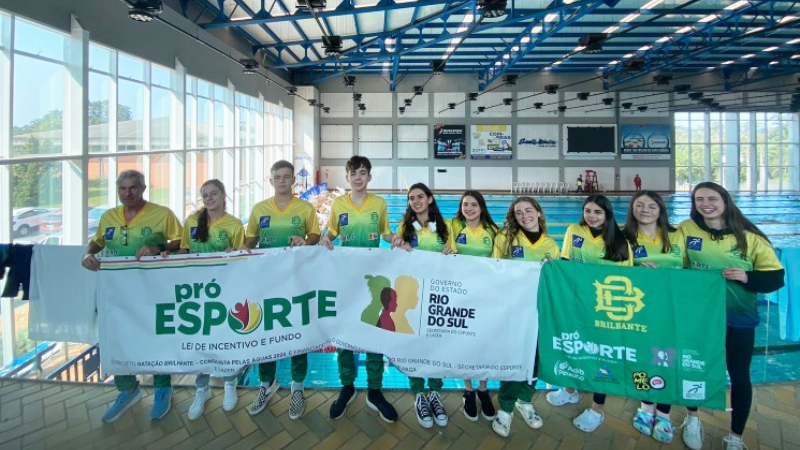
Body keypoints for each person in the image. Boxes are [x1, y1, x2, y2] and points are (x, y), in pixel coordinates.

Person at [680, 182, 784, 450]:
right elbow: (671, 260)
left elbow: (776, 277)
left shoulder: (749, 237)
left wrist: (748, 277)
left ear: (725, 200)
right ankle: (692, 419)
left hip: (738, 319)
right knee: (695, 368)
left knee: (739, 376)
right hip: (698, 317)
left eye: (712, 198)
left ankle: (735, 436)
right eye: (699, 199)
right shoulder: (685, 230)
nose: (705, 203)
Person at [80, 170, 182, 423]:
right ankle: (127, 389)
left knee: (156, 336)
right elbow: (98, 242)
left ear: (143, 188)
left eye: (133, 188)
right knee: (116, 338)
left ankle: (162, 388)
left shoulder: (162, 214)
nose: (127, 193)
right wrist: (86, 254)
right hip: (116, 291)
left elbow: (180, 241)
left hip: (152, 289)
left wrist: (157, 248)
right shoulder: (108, 216)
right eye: (122, 189)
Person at [319, 155, 397, 423]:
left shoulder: (380, 203)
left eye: (363, 172)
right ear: (347, 177)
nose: (358, 177)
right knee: (345, 334)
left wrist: (395, 238)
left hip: (374, 279)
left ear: (369, 176)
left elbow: (386, 233)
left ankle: (374, 391)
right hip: (346, 279)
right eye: (353, 173)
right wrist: (324, 239)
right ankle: (347, 386)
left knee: (375, 332)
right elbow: (331, 233)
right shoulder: (339, 204)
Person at [546, 194, 632, 433]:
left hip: (604, 309)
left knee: (603, 356)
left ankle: (597, 408)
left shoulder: (620, 239)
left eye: (597, 212)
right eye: (588, 211)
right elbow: (564, 262)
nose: (591, 217)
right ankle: (571, 389)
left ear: (607, 214)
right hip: (576, 303)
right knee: (575, 346)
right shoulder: (574, 230)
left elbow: (629, 277)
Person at [243, 160, 321, 420]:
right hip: (266, 280)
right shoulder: (258, 209)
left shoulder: (305, 208)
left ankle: (297, 387)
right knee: (266, 330)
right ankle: (266, 383)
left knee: (298, 331)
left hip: (297, 279)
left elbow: (314, 236)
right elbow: (251, 239)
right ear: (271, 180)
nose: (282, 181)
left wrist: (305, 240)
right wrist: (244, 247)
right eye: (277, 177)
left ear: (293, 181)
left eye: (287, 177)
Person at [621, 190, 689, 444]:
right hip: (640, 310)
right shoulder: (623, 236)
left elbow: (691, 267)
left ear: (661, 209)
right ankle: (645, 405)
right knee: (641, 358)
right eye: (639, 205)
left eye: (651, 205)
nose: (645, 209)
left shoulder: (676, 235)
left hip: (673, 309)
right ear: (632, 209)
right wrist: (637, 269)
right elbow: (613, 269)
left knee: (668, 360)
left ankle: (664, 413)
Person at [489, 196, 559, 437]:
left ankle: (525, 400)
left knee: (536, 357)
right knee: (513, 356)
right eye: (518, 212)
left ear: (539, 213)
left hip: (540, 311)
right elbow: (493, 271)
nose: (524, 216)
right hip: (513, 309)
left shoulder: (551, 244)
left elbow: (554, 281)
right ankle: (506, 408)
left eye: (529, 210)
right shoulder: (505, 238)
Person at [177, 180, 245, 421]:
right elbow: (184, 252)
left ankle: (229, 382)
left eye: (213, 194)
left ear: (224, 195)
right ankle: (202, 388)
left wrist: (233, 254)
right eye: (204, 195)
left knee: (225, 337)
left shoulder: (234, 225)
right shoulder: (191, 222)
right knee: (201, 339)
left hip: (224, 291)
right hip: (196, 293)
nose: (209, 198)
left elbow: (242, 257)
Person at [391, 183, 455, 429]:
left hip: (440, 295)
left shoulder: (446, 226)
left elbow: (456, 255)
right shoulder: (404, 227)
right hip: (414, 296)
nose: (416, 201)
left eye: (420, 197)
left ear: (429, 199)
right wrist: (400, 248)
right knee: (415, 343)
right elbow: (396, 261)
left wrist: (451, 252)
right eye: (411, 198)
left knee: (438, 341)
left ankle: (435, 393)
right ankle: (419, 393)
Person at [451, 190, 499, 422]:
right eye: (464, 205)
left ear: (481, 208)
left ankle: (483, 388)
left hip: (485, 294)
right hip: (460, 294)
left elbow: (501, 262)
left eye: (473, 204)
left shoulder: (492, 231)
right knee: (463, 340)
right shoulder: (454, 227)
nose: (468, 208)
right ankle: (468, 389)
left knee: (484, 341)